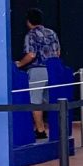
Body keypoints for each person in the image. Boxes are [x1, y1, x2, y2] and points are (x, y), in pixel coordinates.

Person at [15, 8, 60, 139]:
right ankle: (56, 129)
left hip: (37, 71)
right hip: (53, 70)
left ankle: (40, 130)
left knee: (35, 101)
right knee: (50, 100)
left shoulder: (31, 35)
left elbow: (31, 54)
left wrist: (19, 64)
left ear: (28, 21)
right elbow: (58, 53)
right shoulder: (52, 33)